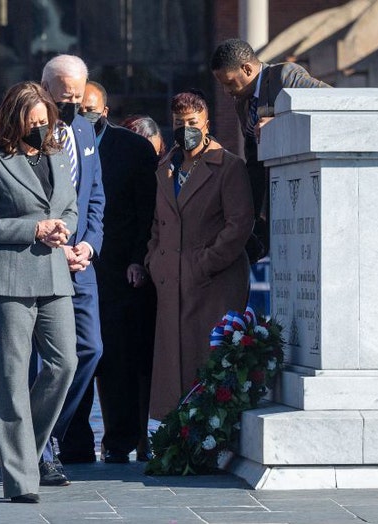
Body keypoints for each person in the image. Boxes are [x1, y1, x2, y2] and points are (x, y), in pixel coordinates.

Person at [0, 81, 80, 503]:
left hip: (53, 275)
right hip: (7, 280)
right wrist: (33, 228)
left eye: (44, 121)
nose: (39, 127)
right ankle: (20, 480)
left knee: (64, 363)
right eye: (32, 122)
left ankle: (22, 451)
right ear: (16, 121)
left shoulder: (54, 155)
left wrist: (63, 228)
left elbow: (68, 206)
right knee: (13, 378)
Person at [60, 82, 158, 464]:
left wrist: (138, 258)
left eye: (91, 108)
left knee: (116, 360)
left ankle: (120, 441)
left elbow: (146, 212)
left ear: (106, 109)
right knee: (76, 355)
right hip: (71, 267)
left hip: (118, 271)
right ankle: (73, 441)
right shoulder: (55, 144)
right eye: (78, 107)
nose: (84, 113)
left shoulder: (132, 149)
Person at [145, 90, 254, 419]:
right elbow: (156, 224)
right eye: (179, 122)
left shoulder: (228, 166)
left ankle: (206, 438)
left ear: (206, 123)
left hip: (213, 284)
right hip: (171, 282)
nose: (185, 128)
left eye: (192, 122)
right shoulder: (165, 167)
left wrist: (204, 263)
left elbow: (239, 225)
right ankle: (177, 439)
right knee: (173, 367)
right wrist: (154, 260)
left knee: (205, 362)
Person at [35, 54, 105, 485]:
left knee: (90, 349)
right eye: (66, 97)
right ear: (45, 88)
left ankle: (44, 433)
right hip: (42, 260)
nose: (75, 105)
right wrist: (57, 245)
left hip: (82, 264)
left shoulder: (84, 129)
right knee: (40, 360)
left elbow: (95, 196)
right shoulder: (30, 130)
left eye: (80, 97)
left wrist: (89, 246)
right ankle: (39, 451)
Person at [210, 38, 329, 262]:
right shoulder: (242, 101)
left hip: (300, 185)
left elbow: (332, 103)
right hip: (267, 191)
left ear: (247, 68)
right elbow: (253, 155)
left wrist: (280, 122)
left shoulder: (285, 76)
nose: (227, 91)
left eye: (230, 83)